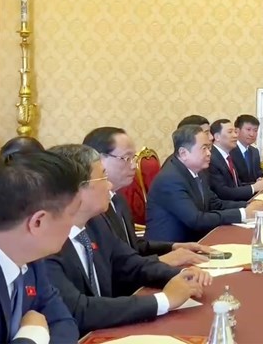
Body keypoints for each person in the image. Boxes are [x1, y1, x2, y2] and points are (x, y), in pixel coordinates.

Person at [45, 144, 210, 336]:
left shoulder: (96, 222)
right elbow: (80, 310)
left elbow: (131, 264)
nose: (109, 186)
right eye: (103, 178)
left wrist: (180, 275)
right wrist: (164, 300)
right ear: (76, 190)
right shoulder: (46, 244)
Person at [0, 152, 82, 343]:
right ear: (38, 222)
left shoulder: (28, 253)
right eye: (72, 214)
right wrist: (33, 333)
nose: (74, 223)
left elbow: (63, 322)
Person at [83, 127, 212, 267]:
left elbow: (133, 246)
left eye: (133, 158)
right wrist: (162, 260)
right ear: (99, 160)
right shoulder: (92, 211)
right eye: (126, 158)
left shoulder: (118, 198)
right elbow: (113, 266)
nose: (134, 165)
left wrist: (174, 247)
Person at [146, 125, 263, 242]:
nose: (209, 153)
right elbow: (196, 220)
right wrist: (243, 214)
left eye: (209, 148)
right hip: (172, 249)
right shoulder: (170, 179)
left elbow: (215, 204)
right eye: (204, 148)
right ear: (183, 153)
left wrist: (249, 205)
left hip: (196, 240)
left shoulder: (199, 171)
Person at [208, 119, 263, 201]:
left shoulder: (227, 156)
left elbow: (237, 185)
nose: (235, 135)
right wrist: (253, 188)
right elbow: (223, 193)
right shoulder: (212, 159)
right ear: (217, 137)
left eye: (235, 132)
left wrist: (257, 184)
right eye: (230, 132)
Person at [230, 114, 263, 183]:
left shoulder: (255, 151)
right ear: (237, 131)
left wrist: (261, 179)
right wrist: (254, 186)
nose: (252, 134)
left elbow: (259, 174)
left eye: (255, 130)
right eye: (248, 130)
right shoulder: (229, 151)